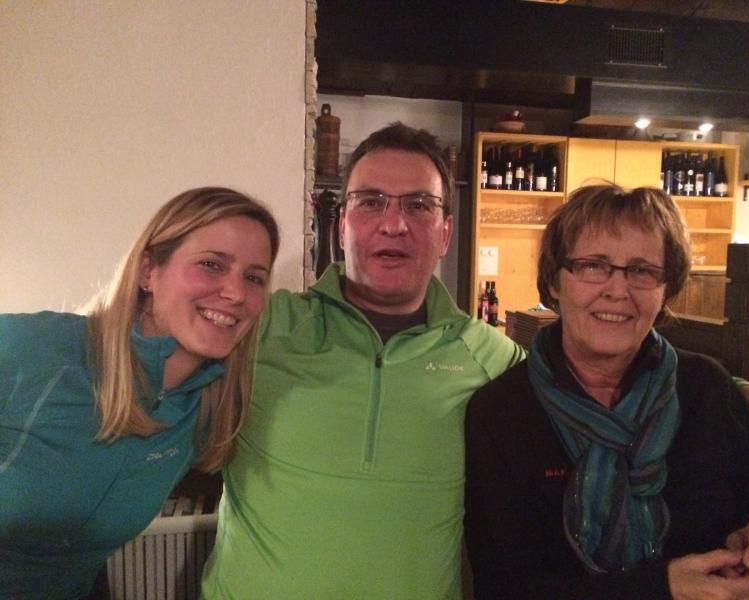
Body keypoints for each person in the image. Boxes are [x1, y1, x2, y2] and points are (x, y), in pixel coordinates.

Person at [201, 123, 525, 599]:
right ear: (342, 226)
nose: (394, 224)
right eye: (371, 201)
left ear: (445, 234)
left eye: (419, 205)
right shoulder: (262, 326)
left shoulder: (494, 361)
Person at [464, 183, 749, 599]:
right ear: (553, 282)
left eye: (642, 271)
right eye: (593, 265)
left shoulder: (709, 390)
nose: (617, 290)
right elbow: (504, 589)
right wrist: (662, 589)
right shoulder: (501, 413)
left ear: (665, 290)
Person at [0, 187, 280, 599]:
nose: (236, 293)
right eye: (211, 265)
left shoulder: (205, 409)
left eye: (254, 278)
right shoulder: (29, 348)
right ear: (148, 271)